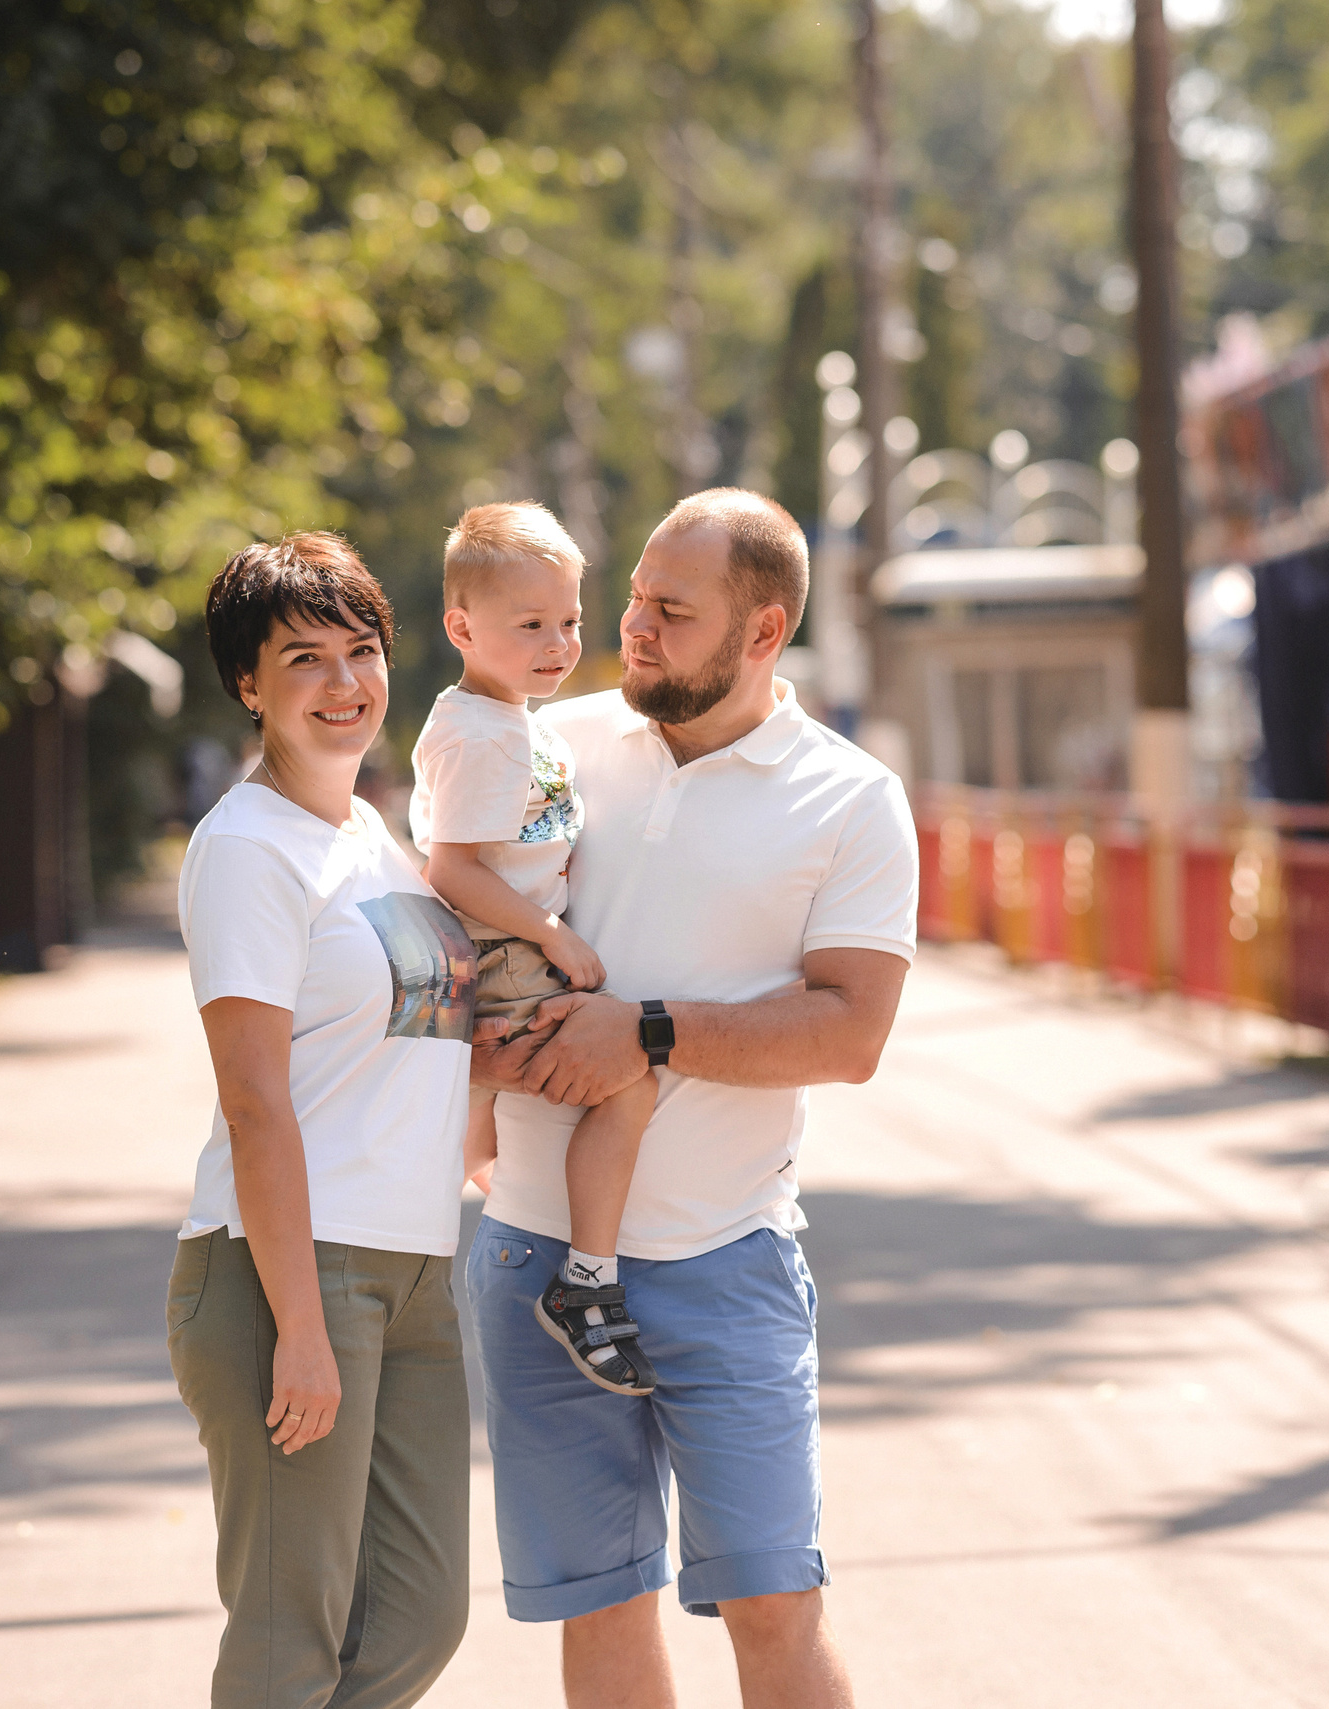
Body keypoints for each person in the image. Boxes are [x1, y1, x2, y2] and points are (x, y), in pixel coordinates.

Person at [466, 489, 919, 1708]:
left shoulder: (852, 798)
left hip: (727, 1258)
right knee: (599, 1603)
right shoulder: (544, 742)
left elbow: (854, 1031)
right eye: (633, 598)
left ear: (762, 632)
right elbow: (450, 910)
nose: (634, 627)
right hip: (531, 1252)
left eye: (672, 609)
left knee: (775, 1602)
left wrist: (648, 1032)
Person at [167, 532, 474, 1709]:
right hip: (285, 1271)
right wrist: (298, 1321)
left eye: (361, 651)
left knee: (419, 1615)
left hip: (412, 1268)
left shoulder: (371, 839)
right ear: (249, 685)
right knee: (292, 1640)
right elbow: (254, 1100)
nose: (344, 683)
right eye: (304, 658)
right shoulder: (247, 849)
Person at [411, 501, 660, 1398]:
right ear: (462, 626)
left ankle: (473, 1181)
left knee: (484, 1110)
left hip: (506, 950)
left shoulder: (504, 716)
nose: (558, 643)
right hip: (506, 956)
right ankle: (587, 1280)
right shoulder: (480, 736)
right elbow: (454, 869)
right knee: (631, 1080)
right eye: (531, 626)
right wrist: (550, 931)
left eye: (570, 621)